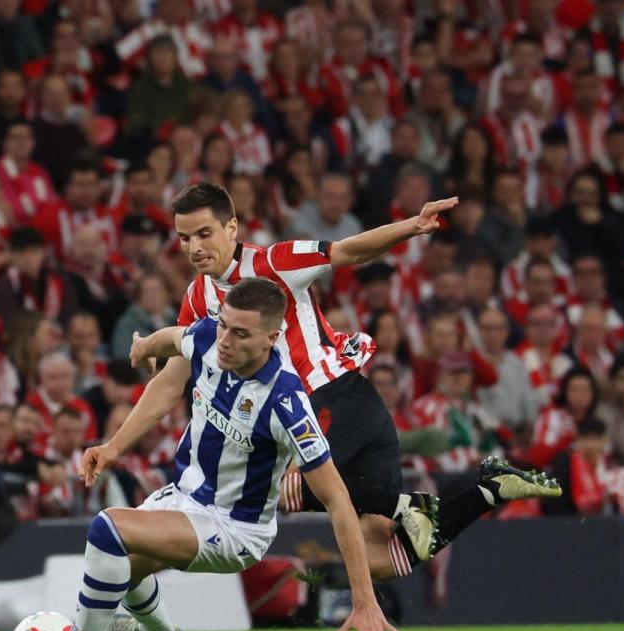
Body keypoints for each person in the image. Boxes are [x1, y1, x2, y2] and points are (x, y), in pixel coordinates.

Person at [164, 183, 559, 576]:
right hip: (355, 406)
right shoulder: (197, 299)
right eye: (184, 238)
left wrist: (412, 225)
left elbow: (348, 250)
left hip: (328, 398)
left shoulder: (274, 263)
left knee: (287, 489)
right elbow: (172, 374)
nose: (194, 247)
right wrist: (115, 443)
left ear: (231, 228)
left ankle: (407, 505)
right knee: (383, 558)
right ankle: (490, 489)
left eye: (204, 233)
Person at [75, 279, 398, 631]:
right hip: (183, 495)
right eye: (225, 324)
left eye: (240, 333)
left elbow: (337, 501)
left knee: (108, 528)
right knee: (119, 568)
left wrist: (364, 599)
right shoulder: (211, 337)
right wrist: (144, 348)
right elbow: (176, 338)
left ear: (271, 338)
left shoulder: (286, 404)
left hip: (234, 529)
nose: (225, 339)